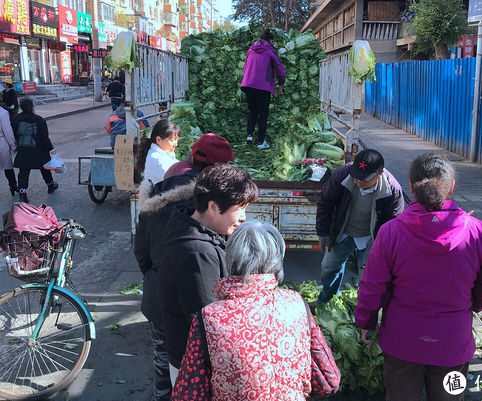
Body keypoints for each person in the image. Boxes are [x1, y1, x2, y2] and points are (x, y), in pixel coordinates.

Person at [355, 153, 482, 401]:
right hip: (453, 343)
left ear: (411, 188)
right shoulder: (477, 231)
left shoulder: (391, 232)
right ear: (452, 186)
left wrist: (366, 321)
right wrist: (470, 303)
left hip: (402, 342)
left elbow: (372, 287)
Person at [172, 220, 341, 400]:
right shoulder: (296, 304)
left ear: (231, 258)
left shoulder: (209, 318)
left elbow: (188, 394)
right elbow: (329, 381)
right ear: (277, 260)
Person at [134, 137, 237, 401]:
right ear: (217, 169)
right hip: (196, 302)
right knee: (195, 366)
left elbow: (141, 252)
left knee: (164, 355)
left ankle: (162, 395)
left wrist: (154, 277)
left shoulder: (157, 192)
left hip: (158, 294)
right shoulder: (207, 206)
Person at [156, 164, 258, 383]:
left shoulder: (192, 228)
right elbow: (209, 321)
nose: (243, 217)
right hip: (194, 363)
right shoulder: (197, 254)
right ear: (213, 207)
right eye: (239, 208)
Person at [315, 148, 404, 303]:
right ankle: (326, 301)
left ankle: (364, 311)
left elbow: (393, 227)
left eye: (364, 179)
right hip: (344, 231)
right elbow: (325, 202)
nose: (358, 181)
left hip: (371, 237)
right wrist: (323, 232)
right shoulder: (343, 174)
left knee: (368, 278)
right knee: (328, 268)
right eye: (356, 177)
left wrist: (385, 252)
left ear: (380, 174)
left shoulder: (392, 191)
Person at [240, 28, 286, 150]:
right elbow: (280, 69)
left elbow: (245, 67)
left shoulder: (251, 50)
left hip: (248, 84)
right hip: (263, 86)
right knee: (263, 114)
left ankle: (249, 135)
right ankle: (261, 142)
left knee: (252, 110)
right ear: (270, 40)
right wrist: (281, 84)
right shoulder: (270, 51)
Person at [11, 98, 59, 203]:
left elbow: (13, 134)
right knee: (44, 167)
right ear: (33, 107)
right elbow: (44, 138)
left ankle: (22, 193)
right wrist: (51, 148)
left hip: (23, 149)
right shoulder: (39, 120)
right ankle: (50, 185)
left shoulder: (15, 119)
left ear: (21, 107)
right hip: (39, 150)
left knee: (23, 171)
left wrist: (14, 145)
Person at [163, 133, 235, 179]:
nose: (228, 166)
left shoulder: (178, 166)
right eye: (226, 163)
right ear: (215, 167)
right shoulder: (202, 187)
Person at [136, 119, 180, 184]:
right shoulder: (157, 160)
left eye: (176, 140)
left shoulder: (166, 151)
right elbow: (176, 179)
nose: (175, 144)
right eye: (172, 140)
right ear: (158, 139)